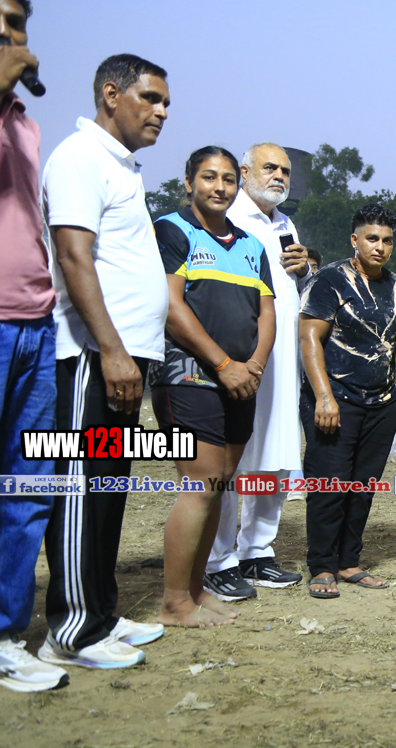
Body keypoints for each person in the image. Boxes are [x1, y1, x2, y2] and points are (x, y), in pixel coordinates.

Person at [39, 54, 170, 669]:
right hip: (92, 354)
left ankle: (101, 611)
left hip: (124, 356)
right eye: (151, 99)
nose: (161, 112)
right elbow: (73, 257)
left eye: (166, 103)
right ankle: (71, 631)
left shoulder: (120, 166)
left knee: (108, 489)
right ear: (112, 95)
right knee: (77, 488)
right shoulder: (79, 157)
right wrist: (112, 349)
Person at [151, 146, 274, 627]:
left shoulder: (251, 245)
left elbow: (267, 313)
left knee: (219, 485)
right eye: (208, 177)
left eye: (227, 179)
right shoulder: (171, 230)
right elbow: (171, 306)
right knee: (199, 486)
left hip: (242, 378)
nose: (219, 187)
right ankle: (174, 602)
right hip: (189, 374)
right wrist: (223, 364)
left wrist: (253, 365)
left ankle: (196, 590)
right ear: (189, 183)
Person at [0, 0, 69, 692]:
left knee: (26, 490)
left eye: (16, 22)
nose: (5, 32)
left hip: (34, 327)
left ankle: (5, 636)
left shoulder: (25, 122)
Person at [205, 142, 306, 602]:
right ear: (244, 172)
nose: (278, 176)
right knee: (229, 459)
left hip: (282, 359)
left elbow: (287, 287)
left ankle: (257, 551)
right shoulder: (226, 215)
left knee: (276, 453)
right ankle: (219, 558)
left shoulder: (286, 224)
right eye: (269, 168)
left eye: (284, 170)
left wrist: (306, 268)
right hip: (240, 357)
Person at [298, 204, 396, 598]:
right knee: (330, 485)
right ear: (355, 240)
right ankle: (322, 566)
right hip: (336, 399)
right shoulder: (330, 279)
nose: (379, 247)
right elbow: (309, 337)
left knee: (363, 486)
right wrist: (324, 397)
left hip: (383, 402)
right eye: (372, 239)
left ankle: (348, 561)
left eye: (387, 240)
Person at [286, 246, 323, 503]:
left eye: (312, 267)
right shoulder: (288, 296)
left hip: (312, 375)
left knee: (314, 432)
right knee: (289, 429)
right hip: (290, 370)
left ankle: (312, 481)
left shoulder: (323, 296)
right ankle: (294, 481)